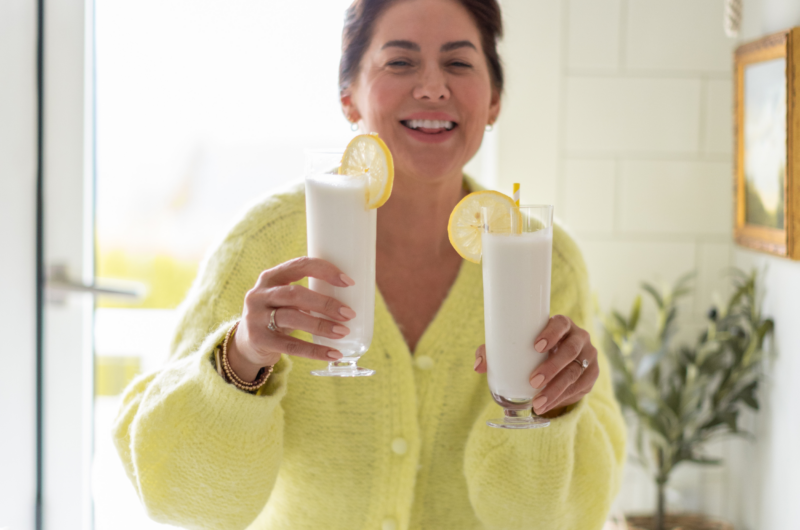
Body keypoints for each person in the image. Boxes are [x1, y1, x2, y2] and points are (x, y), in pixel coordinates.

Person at [113, 0, 626, 528]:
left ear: (494, 100)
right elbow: (179, 500)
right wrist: (241, 360)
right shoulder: (266, 243)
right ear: (348, 97)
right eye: (399, 63)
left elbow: (568, 515)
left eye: (459, 63)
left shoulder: (544, 258)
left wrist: (554, 411)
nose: (431, 87)